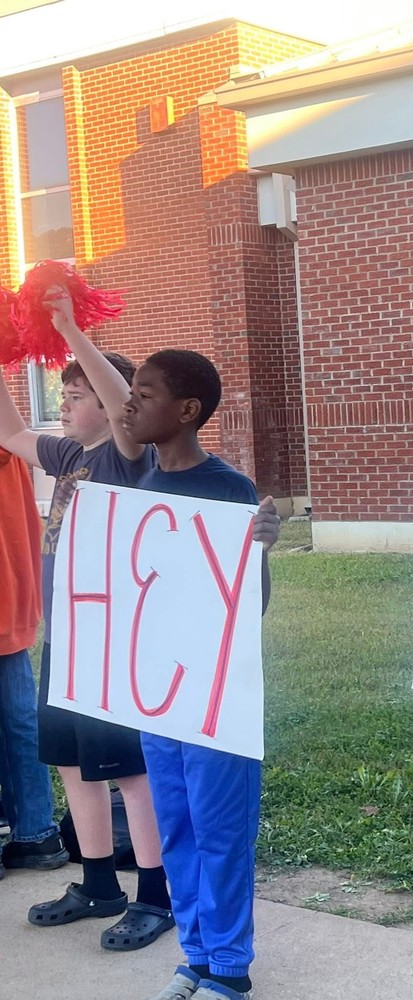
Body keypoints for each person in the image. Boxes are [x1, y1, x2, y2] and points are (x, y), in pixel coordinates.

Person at [0, 288, 173, 952]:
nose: (65, 404)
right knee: (73, 765)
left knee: (130, 771)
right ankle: (98, 882)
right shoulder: (68, 457)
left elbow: (120, 397)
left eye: (75, 395)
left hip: (116, 646)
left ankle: (154, 896)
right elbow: (12, 431)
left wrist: (68, 327)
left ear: (113, 406)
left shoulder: (129, 455)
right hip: (66, 642)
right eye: (64, 395)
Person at [121, 349, 280, 1000]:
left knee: (220, 830)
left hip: (218, 695)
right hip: (160, 695)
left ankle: (230, 966)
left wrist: (260, 549)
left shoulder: (229, 489)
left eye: (145, 393)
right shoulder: (142, 491)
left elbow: (253, 603)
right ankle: (196, 954)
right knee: (177, 826)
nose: (130, 404)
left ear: (186, 412)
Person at [0, 445, 68, 880]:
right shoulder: (12, 439)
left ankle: (34, 830)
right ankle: (36, 831)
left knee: (19, 716)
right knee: (20, 716)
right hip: (13, 590)